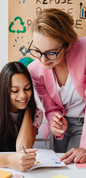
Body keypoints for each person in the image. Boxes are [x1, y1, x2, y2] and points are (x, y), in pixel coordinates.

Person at [28, 8, 86, 164]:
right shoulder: (34, 70)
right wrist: (55, 122)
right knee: (59, 168)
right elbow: (50, 107)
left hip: (84, 123)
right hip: (64, 125)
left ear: (67, 45)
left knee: (76, 167)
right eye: (37, 51)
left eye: (51, 53)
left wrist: (85, 146)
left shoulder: (85, 52)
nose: (43, 59)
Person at [0, 61, 43, 171]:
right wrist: (8, 160)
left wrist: (28, 108)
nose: (23, 95)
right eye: (15, 90)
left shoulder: (36, 113)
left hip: (21, 171)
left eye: (27, 88)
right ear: (4, 91)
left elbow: (23, 148)